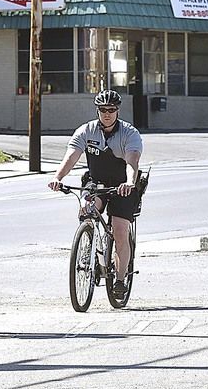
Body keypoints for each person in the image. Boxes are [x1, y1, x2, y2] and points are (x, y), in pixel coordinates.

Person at [48, 89, 143, 299]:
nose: (107, 113)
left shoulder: (129, 133)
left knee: (119, 230)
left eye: (111, 110)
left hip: (122, 186)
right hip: (97, 182)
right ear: (97, 110)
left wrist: (129, 182)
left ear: (117, 111)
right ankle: (89, 242)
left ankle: (119, 280)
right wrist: (58, 178)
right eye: (102, 110)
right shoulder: (86, 131)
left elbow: (132, 161)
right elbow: (71, 157)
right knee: (87, 208)